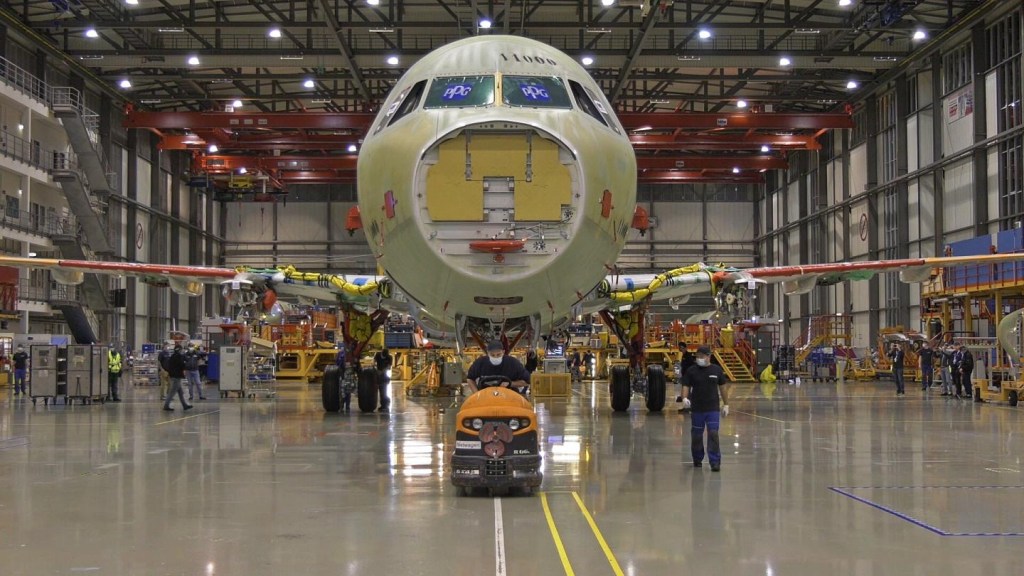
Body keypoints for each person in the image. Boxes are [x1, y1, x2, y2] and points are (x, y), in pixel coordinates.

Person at [680, 346, 730, 471]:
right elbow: (686, 385)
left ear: (709, 356)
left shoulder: (716, 370)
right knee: (697, 435)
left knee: (713, 433)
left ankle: (715, 461)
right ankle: (697, 459)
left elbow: (723, 387)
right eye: (697, 356)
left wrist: (726, 404)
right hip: (697, 409)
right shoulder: (691, 371)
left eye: (701, 356)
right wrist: (684, 398)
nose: (699, 359)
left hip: (712, 408)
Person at [466, 340, 530, 395]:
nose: (495, 357)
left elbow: (527, 382)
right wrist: (477, 394)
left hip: (510, 397)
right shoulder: (480, 362)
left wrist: (510, 384)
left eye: (498, 354)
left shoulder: (513, 363)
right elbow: (470, 378)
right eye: (492, 355)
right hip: (485, 396)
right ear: (487, 353)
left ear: (503, 352)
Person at [162, 345, 192, 411]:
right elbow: (182, 365)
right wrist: (186, 364)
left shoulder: (172, 356)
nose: (182, 350)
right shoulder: (179, 356)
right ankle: (166, 406)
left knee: (180, 392)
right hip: (177, 377)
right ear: (179, 350)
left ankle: (184, 405)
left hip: (173, 376)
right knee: (172, 392)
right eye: (181, 349)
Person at [373, 348, 393, 412]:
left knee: (383, 391)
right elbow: (373, 362)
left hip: (384, 375)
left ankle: (384, 405)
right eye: (383, 356)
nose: (383, 357)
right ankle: (385, 403)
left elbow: (389, 367)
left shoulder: (389, 357)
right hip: (377, 373)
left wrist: (382, 371)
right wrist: (376, 369)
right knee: (377, 391)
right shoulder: (377, 355)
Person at [335, 345, 351, 412]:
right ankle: (343, 405)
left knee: (346, 391)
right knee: (343, 391)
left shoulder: (342, 353)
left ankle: (345, 405)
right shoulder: (341, 353)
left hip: (346, 374)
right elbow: (337, 363)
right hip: (343, 374)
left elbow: (337, 363)